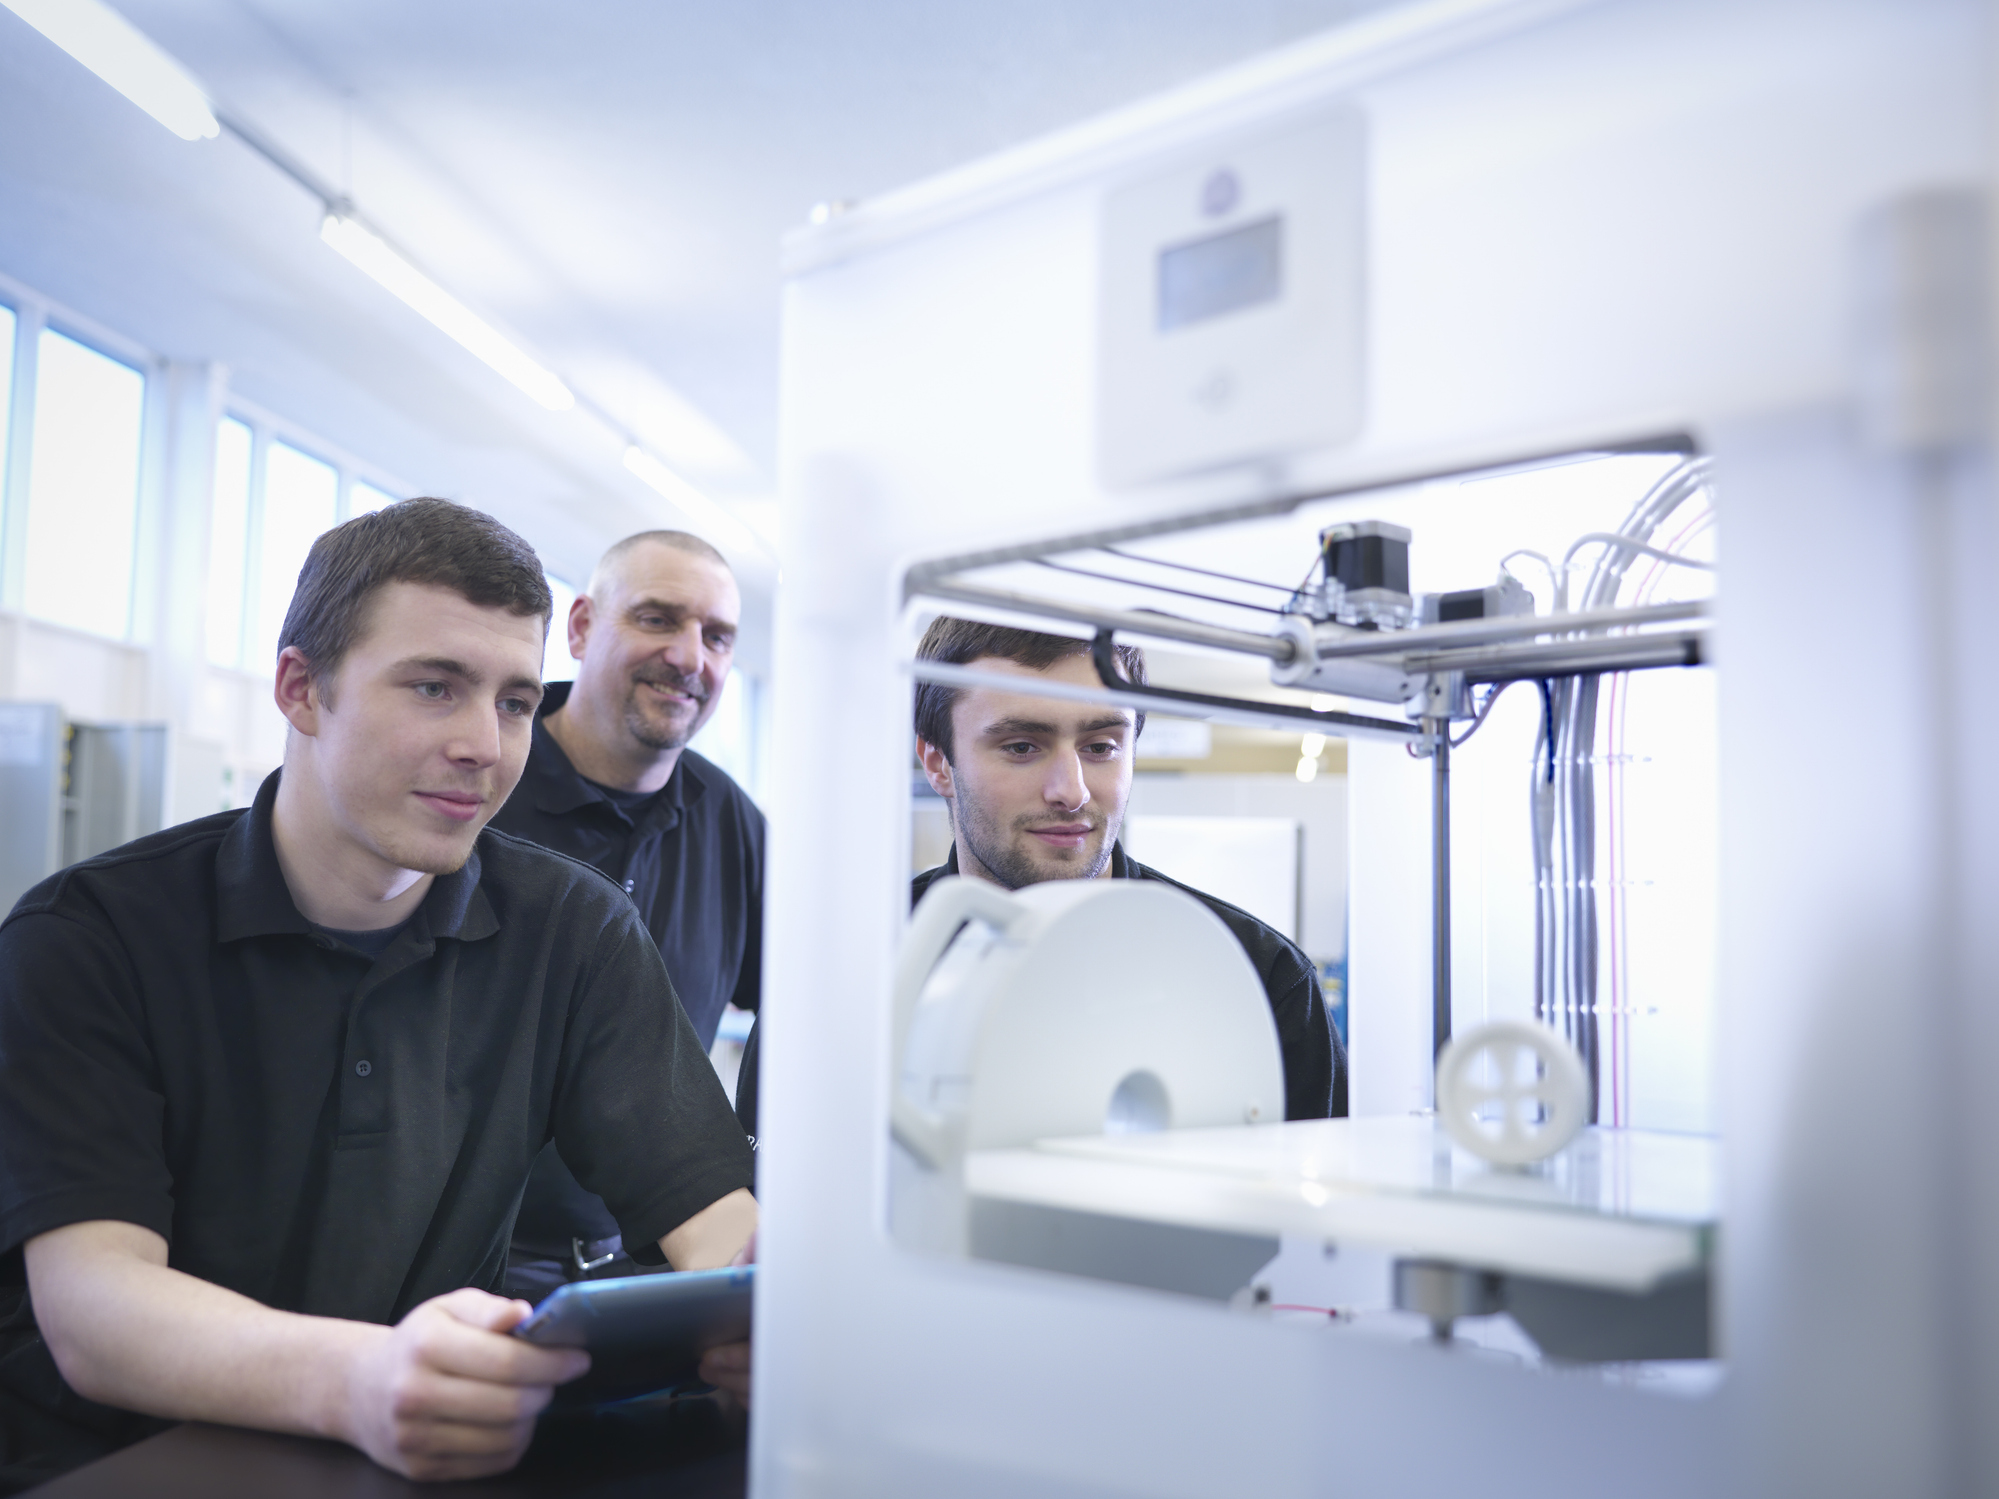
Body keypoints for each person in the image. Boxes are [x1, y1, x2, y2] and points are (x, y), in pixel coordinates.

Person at [0, 500, 756, 1492]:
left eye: (517, 701)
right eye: (435, 687)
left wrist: (766, 1311)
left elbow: (714, 1219)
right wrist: (362, 1378)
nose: (485, 744)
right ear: (301, 689)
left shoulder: (570, 930)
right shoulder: (89, 937)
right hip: (126, 1458)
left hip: (414, 1456)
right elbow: (97, 1311)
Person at [736, 616, 1345, 1138]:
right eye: (1022, 746)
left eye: (1102, 746)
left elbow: (1317, 1244)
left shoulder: (1259, 978)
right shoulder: (838, 972)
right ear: (937, 763)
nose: (1071, 792)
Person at [487, 531, 764, 1298]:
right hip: (464, 1268)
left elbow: (813, 1017)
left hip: (647, 1263)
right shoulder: (477, 787)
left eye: (716, 636)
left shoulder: (731, 823)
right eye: (656, 618)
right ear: (578, 628)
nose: (688, 656)